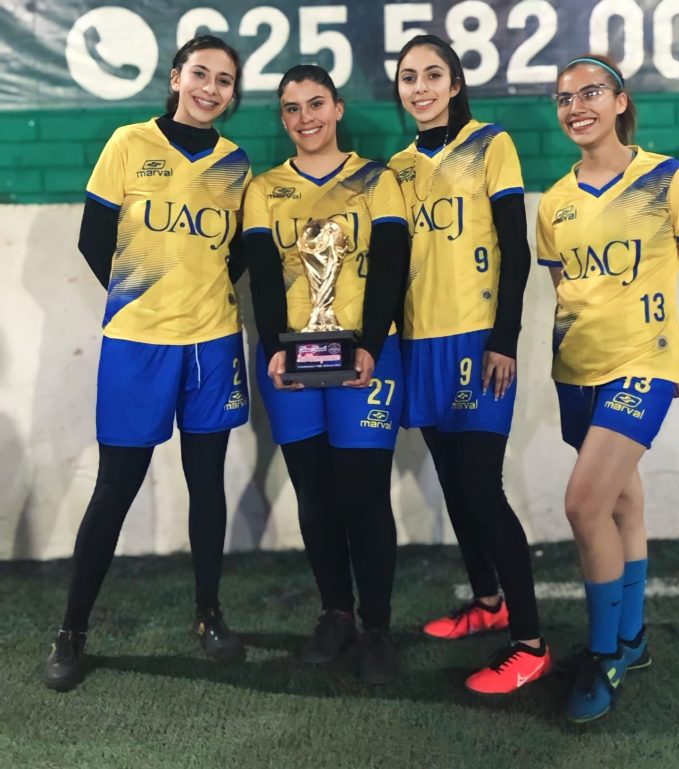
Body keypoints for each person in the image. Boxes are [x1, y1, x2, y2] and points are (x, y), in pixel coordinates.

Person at [43, 35, 252, 691]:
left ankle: (209, 613)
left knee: (207, 483)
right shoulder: (129, 143)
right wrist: (143, 297)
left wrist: (202, 297)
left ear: (232, 94)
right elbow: (93, 239)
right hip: (136, 343)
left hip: (213, 343)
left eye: (224, 80)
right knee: (116, 487)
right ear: (176, 77)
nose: (210, 88)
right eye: (201, 74)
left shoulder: (235, 163)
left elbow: (236, 255)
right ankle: (72, 630)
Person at [536, 54, 679, 722]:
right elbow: (565, 288)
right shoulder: (554, 201)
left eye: (590, 92)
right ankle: (633, 636)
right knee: (619, 503)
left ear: (620, 101)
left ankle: (604, 651)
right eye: (564, 98)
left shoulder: (667, 177)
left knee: (582, 504)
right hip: (576, 370)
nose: (576, 106)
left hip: (644, 365)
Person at [390, 34, 551, 695]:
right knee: (454, 483)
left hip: (479, 341)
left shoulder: (492, 144)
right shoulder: (397, 167)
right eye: (409, 77)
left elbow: (515, 249)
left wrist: (504, 339)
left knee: (483, 486)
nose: (421, 87)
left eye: (433, 75)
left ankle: (531, 644)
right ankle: (488, 603)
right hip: (419, 343)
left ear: (455, 84)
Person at [242, 65, 409, 684]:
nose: (305, 118)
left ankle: (378, 627)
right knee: (314, 493)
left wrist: (371, 345)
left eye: (316, 104)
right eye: (292, 109)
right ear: (283, 118)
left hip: (367, 356)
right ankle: (336, 613)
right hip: (292, 359)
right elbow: (263, 277)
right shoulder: (264, 189)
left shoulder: (377, 179)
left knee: (364, 494)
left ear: (337, 109)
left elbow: (390, 265)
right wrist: (273, 351)